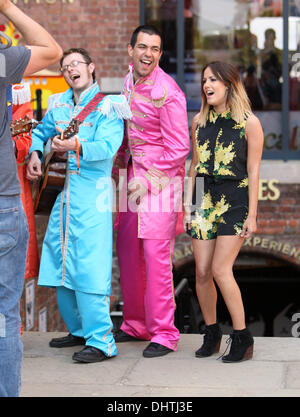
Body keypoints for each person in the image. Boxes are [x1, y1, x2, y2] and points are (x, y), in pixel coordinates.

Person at [27, 48, 131, 364]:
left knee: (89, 266)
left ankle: (101, 341)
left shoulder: (109, 107)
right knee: (60, 261)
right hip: (63, 198)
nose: (71, 69)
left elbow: (109, 147)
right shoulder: (57, 103)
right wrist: (34, 152)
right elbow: (39, 131)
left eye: (76, 64)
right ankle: (79, 330)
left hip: (92, 197)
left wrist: (76, 144)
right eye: (66, 66)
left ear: (91, 67)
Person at [113, 25, 190, 358]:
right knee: (129, 253)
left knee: (157, 260)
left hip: (160, 182)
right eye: (142, 47)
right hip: (129, 181)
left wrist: (146, 181)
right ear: (130, 50)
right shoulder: (129, 80)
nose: (148, 54)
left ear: (160, 54)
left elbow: (180, 148)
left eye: (155, 49)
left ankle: (164, 333)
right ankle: (136, 324)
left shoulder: (168, 91)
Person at [0, 0, 62, 397]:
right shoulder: (3, 63)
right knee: (4, 316)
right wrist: (8, 6)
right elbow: (52, 50)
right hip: (2, 203)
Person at [184, 61, 264, 363]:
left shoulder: (249, 123)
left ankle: (242, 337)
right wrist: (189, 208)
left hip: (234, 199)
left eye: (213, 80)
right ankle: (212, 332)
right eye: (204, 80)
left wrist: (252, 215)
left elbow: (254, 170)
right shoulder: (198, 122)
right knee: (201, 272)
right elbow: (194, 168)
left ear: (229, 85)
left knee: (220, 269)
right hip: (203, 198)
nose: (207, 85)